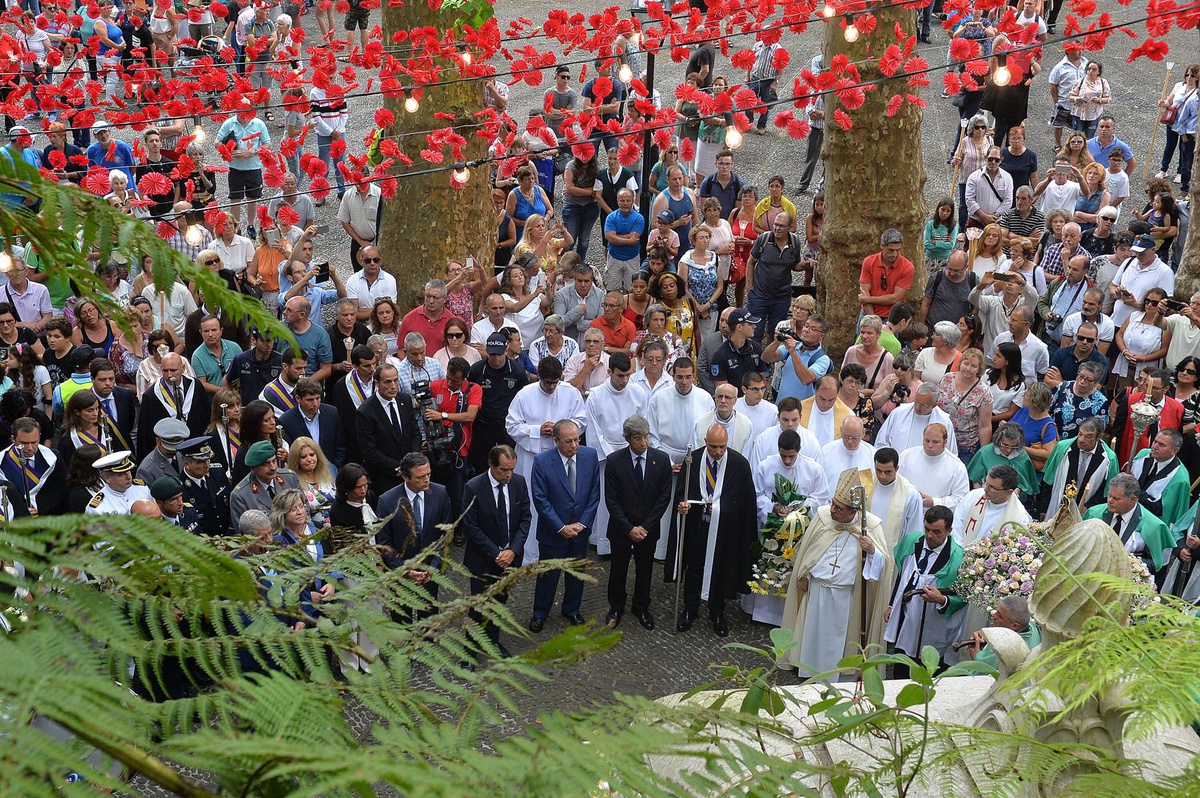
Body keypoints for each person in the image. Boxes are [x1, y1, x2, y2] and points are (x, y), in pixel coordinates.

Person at [781, 467, 894, 678]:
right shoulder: (824, 517)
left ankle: (840, 674)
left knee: (838, 640)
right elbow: (808, 551)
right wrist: (804, 575)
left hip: (846, 598)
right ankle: (808, 669)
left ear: (853, 512)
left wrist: (871, 551)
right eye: (833, 503)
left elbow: (883, 565)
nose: (832, 509)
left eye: (839, 508)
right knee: (814, 635)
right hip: (818, 591)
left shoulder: (871, 527)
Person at [671, 424, 758, 637]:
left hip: (725, 530)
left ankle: (717, 611)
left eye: (722, 447)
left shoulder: (739, 464)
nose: (718, 452)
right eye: (713, 447)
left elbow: (745, 503)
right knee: (694, 568)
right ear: (705, 441)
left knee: (721, 568)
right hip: (697, 525)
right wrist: (683, 506)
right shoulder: (693, 461)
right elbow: (683, 492)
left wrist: (720, 508)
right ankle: (690, 608)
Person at [505, 357, 587, 562]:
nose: (551, 387)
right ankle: (530, 553)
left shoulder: (571, 393)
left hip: (562, 457)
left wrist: (560, 428)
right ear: (539, 377)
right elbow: (511, 425)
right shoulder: (525, 394)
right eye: (547, 382)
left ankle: (561, 546)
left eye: (555, 382)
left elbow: (581, 420)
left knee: (561, 500)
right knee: (532, 502)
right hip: (532, 457)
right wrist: (537, 430)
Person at [526, 419, 599, 632]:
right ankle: (540, 613)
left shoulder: (590, 456)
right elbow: (540, 499)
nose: (574, 445)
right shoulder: (541, 461)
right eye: (568, 441)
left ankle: (572, 609)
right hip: (553, 533)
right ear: (556, 441)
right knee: (548, 576)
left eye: (576, 440)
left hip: (580, 531)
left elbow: (594, 494)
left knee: (577, 573)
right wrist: (561, 527)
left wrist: (583, 524)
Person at [462, 445, 530, 656]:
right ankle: (470, 651)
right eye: (504, 470)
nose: (508, 475)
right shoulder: (473, 487)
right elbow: (470, 526)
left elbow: (525, 519)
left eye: (511, 469)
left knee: (500, 603)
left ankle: (493, 641)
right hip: (483, 560)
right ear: (491, 465)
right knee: (479, 605)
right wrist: (496, 553)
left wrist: (513, 550)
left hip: (510, 559)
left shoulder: (519, 482)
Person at [883, 505, 966, 676]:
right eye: (927, 529)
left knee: (928, 672)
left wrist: (942, 600)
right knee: (901, 667)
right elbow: (902, 575)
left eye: (937, 532)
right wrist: (892, 605)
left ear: (949, 530)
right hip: (906, 619)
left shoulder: (958, 558)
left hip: (933, 624)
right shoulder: (912, 542)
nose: (930, 536)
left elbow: (963, 597)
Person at [584, 352, 647, 556]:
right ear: (609, 372)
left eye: (628, 375)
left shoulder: (638, 393)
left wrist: (633, 451)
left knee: (631, 499)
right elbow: (593, 430)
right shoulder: (596, 395)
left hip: (632, 453)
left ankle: (631, 539)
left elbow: (643, 425)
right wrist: (613, 457)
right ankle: (603, 542)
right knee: (606, 499)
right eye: (620, 376)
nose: (625, 380)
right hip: (607, 457)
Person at [375, 453, 450, 600]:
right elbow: (384, 544)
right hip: (400, 576)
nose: (426, 480)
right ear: (405, 477)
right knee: (402, 620)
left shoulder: (440, 493)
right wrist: (405, 570)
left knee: (429, 618)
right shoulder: (387, 501)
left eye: (428, 474)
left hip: (430, 572)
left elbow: (445, 535)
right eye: (420, 477)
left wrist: (433, 568)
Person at [1083, 473, 1173, 575]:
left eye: (1115, 498)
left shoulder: (1153, 526)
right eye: (1109, 496)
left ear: (1132, 500)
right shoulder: (1094, 513)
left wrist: (1128, 563)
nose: (1109, 501)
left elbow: (1154, 563)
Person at [355, 363, 418, 495]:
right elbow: (369, 450)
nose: (393, 386)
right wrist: (398, 468)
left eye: (395, 380)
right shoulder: (366, 412)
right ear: (377, 383)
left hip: (411, 473)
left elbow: (415, 433)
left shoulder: (405, 400)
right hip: (384, 479)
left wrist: (412, 462)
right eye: (388, 382)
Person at [745, 212, 806, 341]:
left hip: (781, 297)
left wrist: (806, 265)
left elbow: (794, 265)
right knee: (754, 332)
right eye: (775, 225)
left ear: (789, 227)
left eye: (781, 226)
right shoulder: (764, 239)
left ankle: (771, 360)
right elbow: (751, 262)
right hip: (759, 296)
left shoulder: (794, 242)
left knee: (777, 333)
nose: (777, 228)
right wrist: (749, 287)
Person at [1040, 416, 1118, 517]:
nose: (1081, 440)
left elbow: (1106, 492)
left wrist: (1088, 506)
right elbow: (1048, 479)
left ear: (1099, 437)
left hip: (1085, 512)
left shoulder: (1109, 459)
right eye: (1080, 434)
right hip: (1057, 507)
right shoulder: (1062, 448)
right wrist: (1043, 508)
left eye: (1088, 437)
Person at [753, 429, 830, 525]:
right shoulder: (764, 467)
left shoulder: (814, 469)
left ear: (799, 449)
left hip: (803, 526)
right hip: (772, 526)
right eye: (783, 455)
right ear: (778, 449)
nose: (787, 461)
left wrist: (798, 507)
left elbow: (821, 497)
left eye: (791, 456)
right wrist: (772, 507)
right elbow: (756, 495)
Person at [0, 417, 66, 518]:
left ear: (39, 436)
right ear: (13, 439)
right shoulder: (2, 462)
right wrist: (22, 511)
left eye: (34, 442)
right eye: (24, 443)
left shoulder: (53, 458)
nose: (30, 448)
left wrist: (39, 508)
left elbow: (59, 491)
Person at [1126, 429, 1191, 529]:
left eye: (1162, 445)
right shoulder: (1143, 455)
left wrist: (1135, 490)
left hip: (1150, 526)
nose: (1155, 447)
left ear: (1175, 450)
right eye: (1155, 441)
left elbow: (1160, 510)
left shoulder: (1179, 479)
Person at [899, 423, 971, 510]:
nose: (930, 445)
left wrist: (934, 502)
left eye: (935, 442)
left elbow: (961, 499)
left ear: (945, 442)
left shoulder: (957, 467)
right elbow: (897, 481)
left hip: (935, 517)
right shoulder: (907, 455)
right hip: (906, 509)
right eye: (927, 440)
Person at [875, 382, 960, 455]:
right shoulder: (899, 413)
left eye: (924, 405)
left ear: (934, 405)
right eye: (916, 401)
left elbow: (950, 454)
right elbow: (882, 441)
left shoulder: (944, 422)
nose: (918, 407)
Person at [229, 440, 303, 522]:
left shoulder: (290, 478)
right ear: (253, 468)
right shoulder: (241, 495)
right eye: (265, 464)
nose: (273, 467)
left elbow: (305, 508)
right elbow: (245, 531)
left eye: (274, 461)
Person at [278, 379, 344, 468]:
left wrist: (334, 469)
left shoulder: (332, 413)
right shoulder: (286, 421)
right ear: (298, 398)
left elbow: (341, 447)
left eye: (318, 398)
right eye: (310, 400)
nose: (315, 404)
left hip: (331, 472)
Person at [963, 596, 1042, 670]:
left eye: (999, 615)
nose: (994, 615)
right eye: (996, 611)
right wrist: (987, 634)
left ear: (1014, 626)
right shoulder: (1032, 626)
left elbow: (981, 667)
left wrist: (976, 655)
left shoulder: (1005, 647)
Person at [867, 447, 923, 549]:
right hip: (866, 549)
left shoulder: (910, 494)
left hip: (894, 552)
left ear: (897, 468)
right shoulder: (866, 485)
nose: (882, 476)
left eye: (888, 472)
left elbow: (914, 533)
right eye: (878, 470)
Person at [177, 436, 232, 536]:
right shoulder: (180, 487)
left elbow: (229, 504)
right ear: (187, 464)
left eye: (208, 459)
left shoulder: (218, 473)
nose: (206, 465)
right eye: (200, 462)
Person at [86, 450, 153, 515]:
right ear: (107, 478)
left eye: (128, 471)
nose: (129, 477)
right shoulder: (98, 508)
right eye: (121, 474)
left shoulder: (142, 489)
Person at [964, 146, 1014, 229]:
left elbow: (1008, 200)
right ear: (985, 158)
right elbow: (969, 199)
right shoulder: (974, 177)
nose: (993, 162)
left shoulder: (1007, 177)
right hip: (976, 222)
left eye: (997, 160)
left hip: (997, 222)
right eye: (990, 159)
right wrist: (983, 216)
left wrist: (995, 216)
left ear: (1001, 160)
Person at [136, 417, 189, 486]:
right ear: (158, 441)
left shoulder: (182, 455)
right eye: (169, 448)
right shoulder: (146, 470)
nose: (173, 451)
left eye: (176, 448)